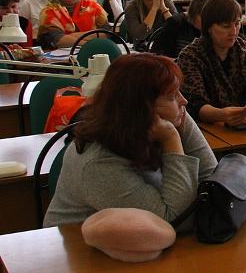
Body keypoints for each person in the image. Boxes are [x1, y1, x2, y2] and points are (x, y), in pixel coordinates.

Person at [43, 53, 216, 227]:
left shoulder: (174, 116)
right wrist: (172, 139)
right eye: (171, 96)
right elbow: (175, 221)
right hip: (81, 242)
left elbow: (214, 179)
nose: (184, 101)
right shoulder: (98, 162)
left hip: (136, 239)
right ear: (141, 108)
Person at [151, 0, 218, 58]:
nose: (207, 25)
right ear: (194, 12)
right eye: (204, 19)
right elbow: (156, 55)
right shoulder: (176, 23)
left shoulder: (218, 30)